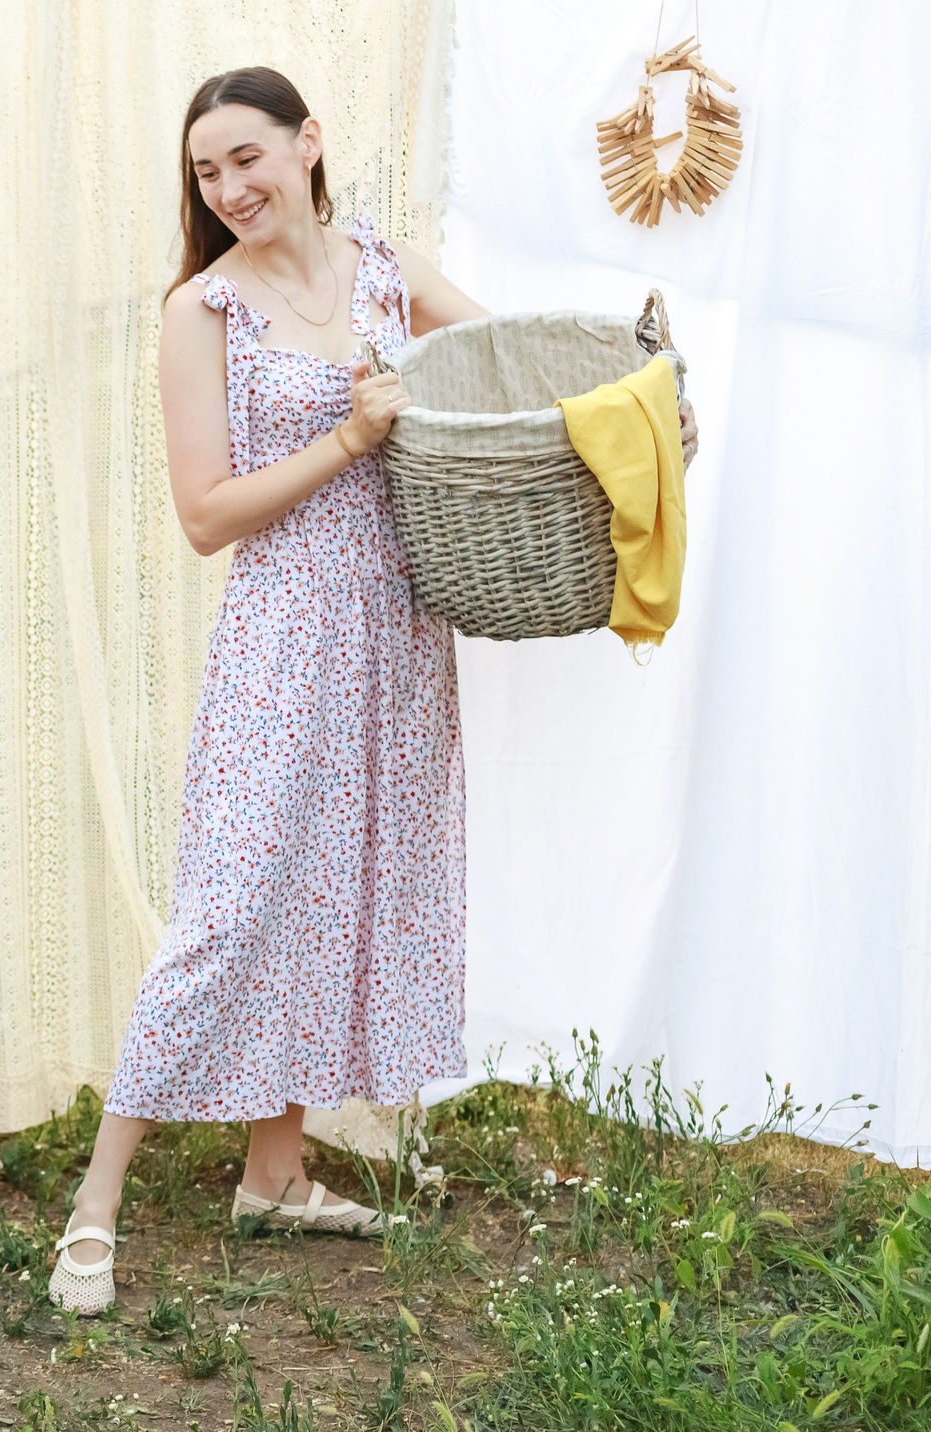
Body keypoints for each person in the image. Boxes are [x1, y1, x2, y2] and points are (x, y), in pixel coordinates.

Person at [46, 67, 695, 1315]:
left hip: (399, 636)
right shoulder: (202, 312)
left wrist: (634, 390)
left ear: (307, 145)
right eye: (205, 172)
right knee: (231, 912)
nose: (229, 188)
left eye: (247, 157)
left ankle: (275, 1175)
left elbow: (510, 367)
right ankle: (94, 1209)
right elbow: (201, 515)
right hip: (286, 643)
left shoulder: (385, 270)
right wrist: (346, 440)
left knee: (338, 892)